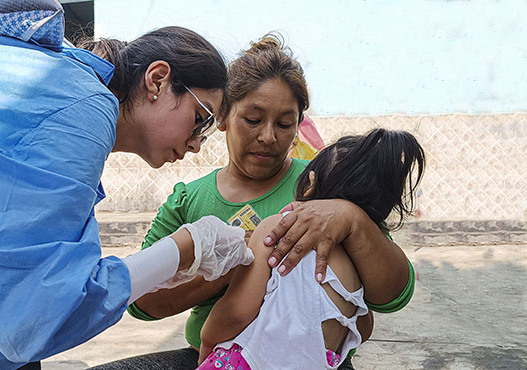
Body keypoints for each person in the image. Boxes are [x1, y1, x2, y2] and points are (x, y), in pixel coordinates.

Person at [0, 11, 255, 369]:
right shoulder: (82, 112)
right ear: (157, 80)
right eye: (200, 121)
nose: (195, 146)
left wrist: (155, 269)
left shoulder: (64, 79)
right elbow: (35, 315)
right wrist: (181, 248)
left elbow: (7, 261)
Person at [90, 34, 415, 370]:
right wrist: (232, 267)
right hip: (221, 353)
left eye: (285, 123)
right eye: (253, 119)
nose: (268, 136)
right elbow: (143, 304)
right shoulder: (190, 198)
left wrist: (353, 219)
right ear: (223, 117)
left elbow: (392, 296)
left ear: (298, 125)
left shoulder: (326, 188)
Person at [197, 128, 426, 369]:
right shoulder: (362, 265)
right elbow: (362, 329)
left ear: (310, 184)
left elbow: (237, 311)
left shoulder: (279, 227)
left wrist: (208, 341)